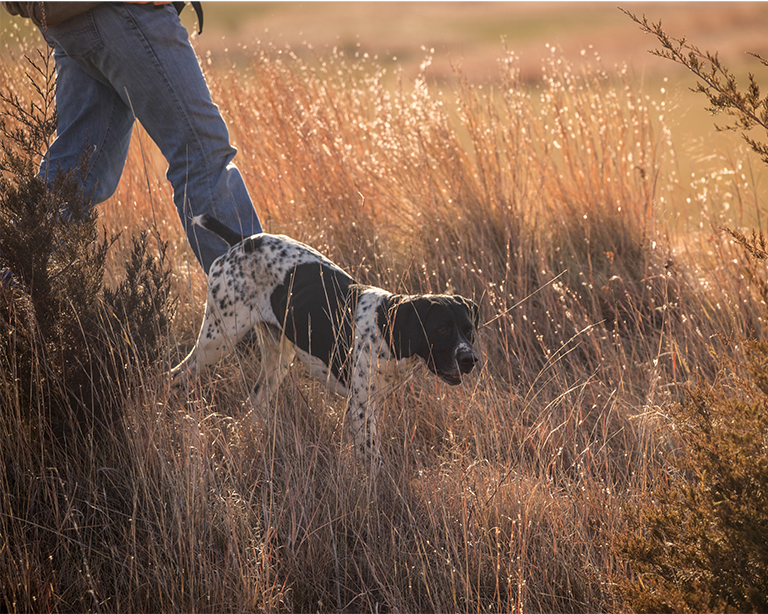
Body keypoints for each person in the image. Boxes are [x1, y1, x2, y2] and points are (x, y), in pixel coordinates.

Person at [1, 1, 262, 274]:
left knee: (76, 174)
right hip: (121, 14)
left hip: (69, 18)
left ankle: (12, 288)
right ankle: (256, 299)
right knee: (201, 154)